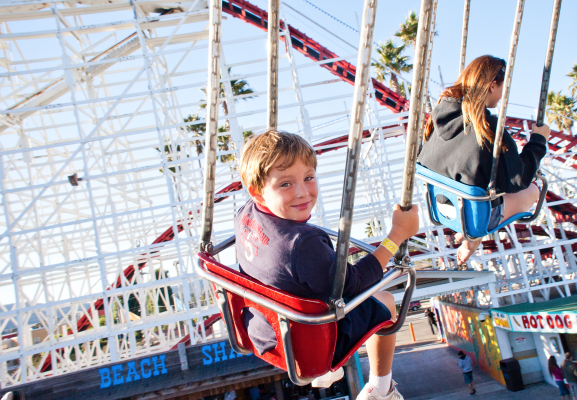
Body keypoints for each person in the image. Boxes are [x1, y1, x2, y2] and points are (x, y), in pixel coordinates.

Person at [235, 130, 420, 400]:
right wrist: (396, 237)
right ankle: (381, 390)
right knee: (386, 300)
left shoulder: (245, 215)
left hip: (264, 334)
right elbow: (355, 283)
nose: (302, 192)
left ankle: (330, 372)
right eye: (285, 184)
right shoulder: (303, 243)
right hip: (308, 345)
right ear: (259, 193)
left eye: (308, 178)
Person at [418, 55, 550, 264]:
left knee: (487, 183)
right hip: (474, 216)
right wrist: (538, 140)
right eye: (503, 88)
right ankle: (472, 239)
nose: (503, 96)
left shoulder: (437, 119)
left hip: (441, 209)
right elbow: (519, 179)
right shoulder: (487, 127)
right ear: (491, 85)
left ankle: (467, 233)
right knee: (533, 189)